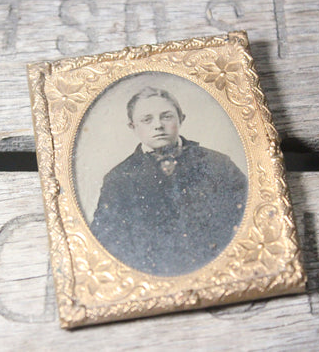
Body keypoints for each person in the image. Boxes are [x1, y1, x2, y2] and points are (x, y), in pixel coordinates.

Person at [90, 87, 247, 276]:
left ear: (181, 119)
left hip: (221, 267)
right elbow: (107, 239)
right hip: (153, 274)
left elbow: (248, 215)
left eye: (166, 116)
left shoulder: (218, 164)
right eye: (147, 119)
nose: (158, 125)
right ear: (133, 126)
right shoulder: (119, 179)